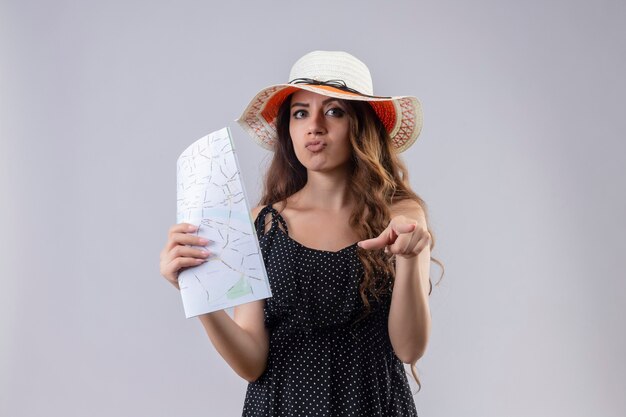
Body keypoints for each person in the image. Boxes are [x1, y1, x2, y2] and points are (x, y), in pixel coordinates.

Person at [160, 50, 443, 416]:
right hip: (281, 405)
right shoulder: (262, 224)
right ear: (288, 129)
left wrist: (411, 255)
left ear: (361, 125)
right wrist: (198, 294)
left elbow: (409, 349)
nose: (315, 126)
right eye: (300, 113)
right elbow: (251, 363)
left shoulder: (401, 217)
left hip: (371, 405)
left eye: (334, 111)